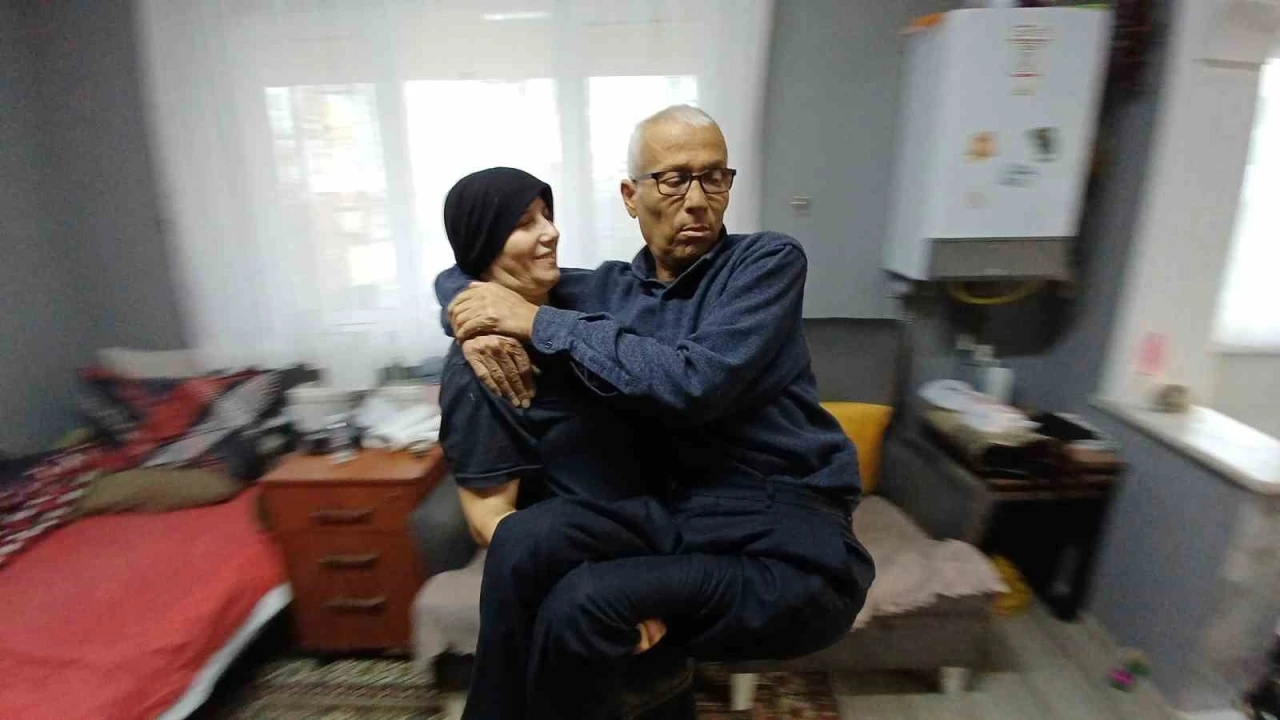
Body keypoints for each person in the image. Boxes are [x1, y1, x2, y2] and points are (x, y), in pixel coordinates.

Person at [438, 105, 875, 720]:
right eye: (673, 180)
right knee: (528, 542)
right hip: (681, 526)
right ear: (630, 196)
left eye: (714, 177)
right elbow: (477, 266)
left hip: (781, 532)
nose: (697, 201)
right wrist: (472, 319)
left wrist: (532, 321)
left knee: (581, 605)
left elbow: (694, 384)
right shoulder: (608, 291)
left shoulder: (765, 264)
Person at [436, 167, 688, 720]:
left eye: (547, 216)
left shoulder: (574, 305)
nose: (550, 232)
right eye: (525, 223)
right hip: (582, 590)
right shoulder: (485, 367)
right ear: (483, 244)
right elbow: (490, 520)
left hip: (651, 550)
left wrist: (458, 297)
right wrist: (606, 595)